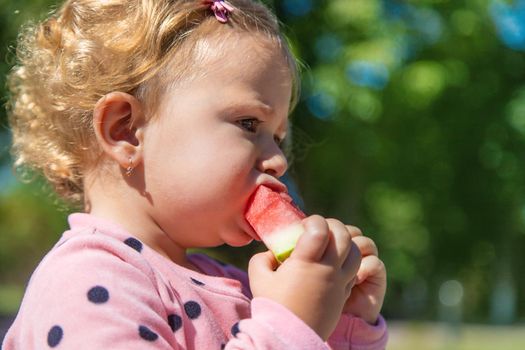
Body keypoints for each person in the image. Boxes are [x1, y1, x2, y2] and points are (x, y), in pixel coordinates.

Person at [2, 0, 388, 349]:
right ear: (125, 130)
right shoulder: (84, 282)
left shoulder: (230, 283)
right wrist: (289, 325)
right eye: (249, 123)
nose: (279, 161)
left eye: (279, 138)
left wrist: (339, 323)